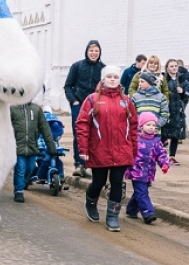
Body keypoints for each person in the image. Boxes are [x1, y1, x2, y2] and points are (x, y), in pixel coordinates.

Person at [75, 65, 137, 232]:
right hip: (99, 150)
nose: (112, 79)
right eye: (109, 76)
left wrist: (133, 150)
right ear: (103, 79)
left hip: (121, 150)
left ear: (119, 80)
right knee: (99, 182)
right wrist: (83, 149)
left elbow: (133, 126)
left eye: (115, 77)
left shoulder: (127, 101)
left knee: (117, 184)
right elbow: (82, 125)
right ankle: (91, 202)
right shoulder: (92, 99)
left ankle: (112, 216)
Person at [63, 40, 105, 175]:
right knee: (79, 133)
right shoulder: (77, 66)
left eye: (96, 51)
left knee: (95, 134)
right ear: (87, 51)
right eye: (91, 51)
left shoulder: (103, 69)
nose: (94, 54)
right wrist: (73, 101)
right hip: (79, 105)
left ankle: (92, 163)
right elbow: (68, 85)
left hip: (96, 106)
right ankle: (79, 164)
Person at [126, 112, 170, 224]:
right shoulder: (135, 138)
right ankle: (148, 213)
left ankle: (131, 210)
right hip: (136, 171)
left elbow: (161, 154)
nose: (151, 127)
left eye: (153, 125)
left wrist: (164, 164)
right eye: (148, 125)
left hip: (149, 172)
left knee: (139, 192)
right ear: (141, 126)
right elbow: (127, 151)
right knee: (142, 192)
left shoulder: (156, 141)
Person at [9, 101, 57, 202]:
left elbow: (45, 128)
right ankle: (19, 191)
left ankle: (22, 183)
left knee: (30, 168)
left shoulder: (36, 109)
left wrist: (51, 146)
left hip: (32, 146)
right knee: (20, 169)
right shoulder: (12, 108)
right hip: (17, 146)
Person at [161, 59, 189, 164]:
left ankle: (172, 156)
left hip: (178, 110)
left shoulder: (182, 80)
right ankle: (157, 154)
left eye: (175, 66)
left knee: (176, 135)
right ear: (167, 67)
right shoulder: (163, 79)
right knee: (164, 134)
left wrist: (183, 92)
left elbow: (188, 94)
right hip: (167, 110)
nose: (174, 68)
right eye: (171, 66)